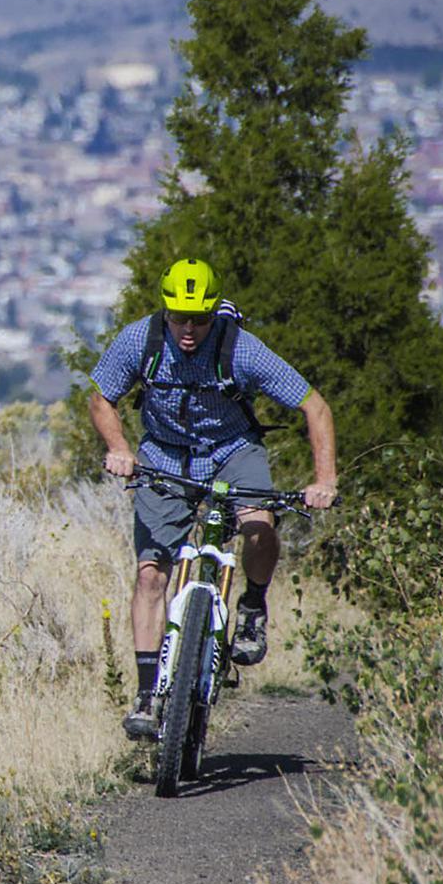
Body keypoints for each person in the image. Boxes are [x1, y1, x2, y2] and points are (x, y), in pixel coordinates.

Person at [87, 258, 338, 739]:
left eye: (199, 318)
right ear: (165, 311)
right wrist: (119, 448)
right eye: (179, 317)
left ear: (213, 314)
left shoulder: (239, 348)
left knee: (259, 526)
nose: (188, 329)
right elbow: (102, 397)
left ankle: (253, 608)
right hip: (163, 456)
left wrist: (324, 478)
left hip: (232, 450)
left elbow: (314, 406)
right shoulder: (141, 340)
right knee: (150, 573)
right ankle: (146, 694)